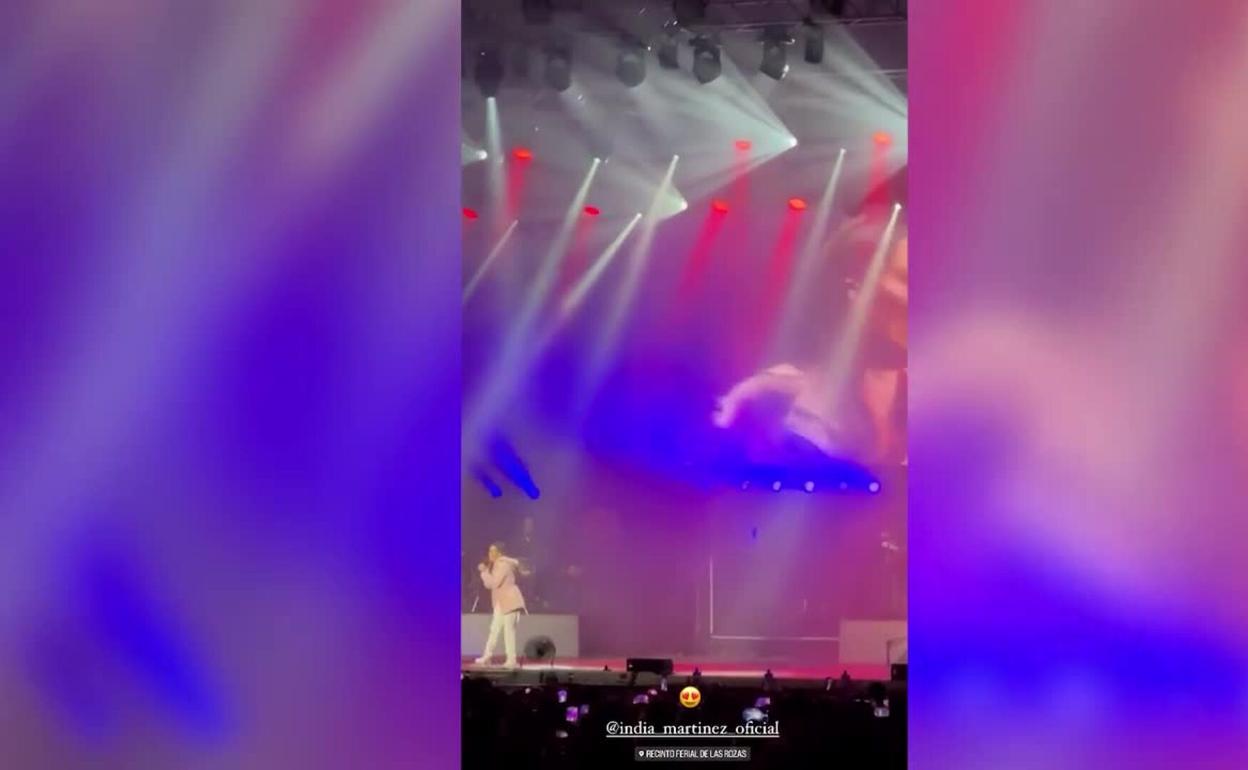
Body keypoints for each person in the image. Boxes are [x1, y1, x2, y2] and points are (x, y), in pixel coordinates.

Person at [474, 542, 526, 668]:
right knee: (494, 630)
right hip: (500, 603)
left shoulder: (503, 564)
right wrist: (486, 572)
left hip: (510, 601)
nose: (490, 554)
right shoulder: (496, 565)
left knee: (509, 632)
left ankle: (511, 660)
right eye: (489, 551)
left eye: (493, 551)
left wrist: (484, 571)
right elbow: (489, 585)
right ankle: (487, 656)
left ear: (500, 553)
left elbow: (494, 583)